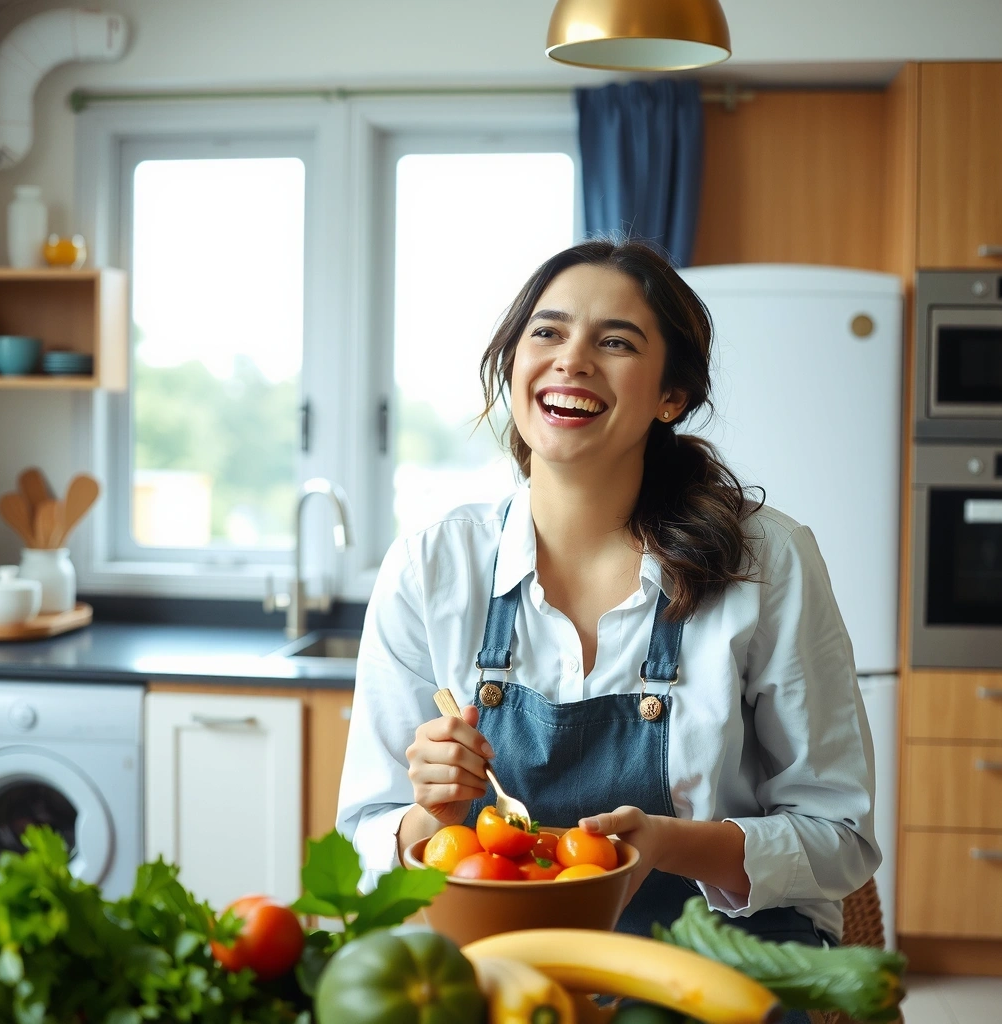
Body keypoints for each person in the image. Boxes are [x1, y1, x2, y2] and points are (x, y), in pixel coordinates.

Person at [336, 238, 879, 972]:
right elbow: (364, 842)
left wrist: (670, 845)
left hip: (720, 958)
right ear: (513, 363)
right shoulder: (431, 568)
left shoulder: (767, 560)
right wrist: (432, 817)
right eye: (548, 332)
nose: (572, 360)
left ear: (671, 396)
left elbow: (840, 838)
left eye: (615, 341)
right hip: (499, 963)